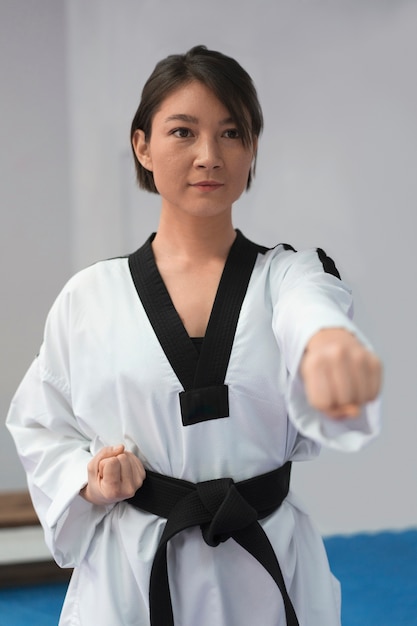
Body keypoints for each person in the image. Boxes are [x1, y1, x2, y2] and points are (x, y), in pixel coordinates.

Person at [6, 45, 382, 626]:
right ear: (142, 146)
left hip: (265, 561)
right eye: (183, 132)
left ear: (252, 147)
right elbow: (39, 424)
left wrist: (326, 340)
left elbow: (312, 307)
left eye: (232, 133)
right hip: (134, 574)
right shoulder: (90, 298)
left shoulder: (288, 276)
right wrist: (91, 479)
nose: (210, 155)